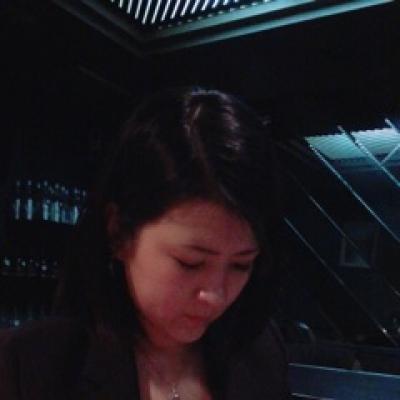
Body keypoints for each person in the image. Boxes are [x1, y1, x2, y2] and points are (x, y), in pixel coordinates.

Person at [0, 87, 289, 399]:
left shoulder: (259, 354)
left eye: (241, 265)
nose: (216, 296)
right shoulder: (34, 366)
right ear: (119, 234)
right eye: (190, 263)